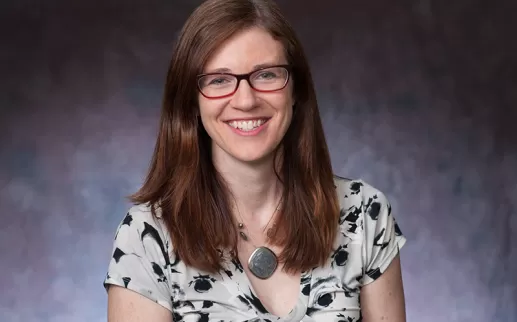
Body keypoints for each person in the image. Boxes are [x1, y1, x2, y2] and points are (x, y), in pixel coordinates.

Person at [103, 0, 407, 321]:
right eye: (219, 80)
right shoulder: (147, 237)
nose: (246, 100)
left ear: (296, 91)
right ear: (190, 101)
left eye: (266, 75)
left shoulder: (363, 215)